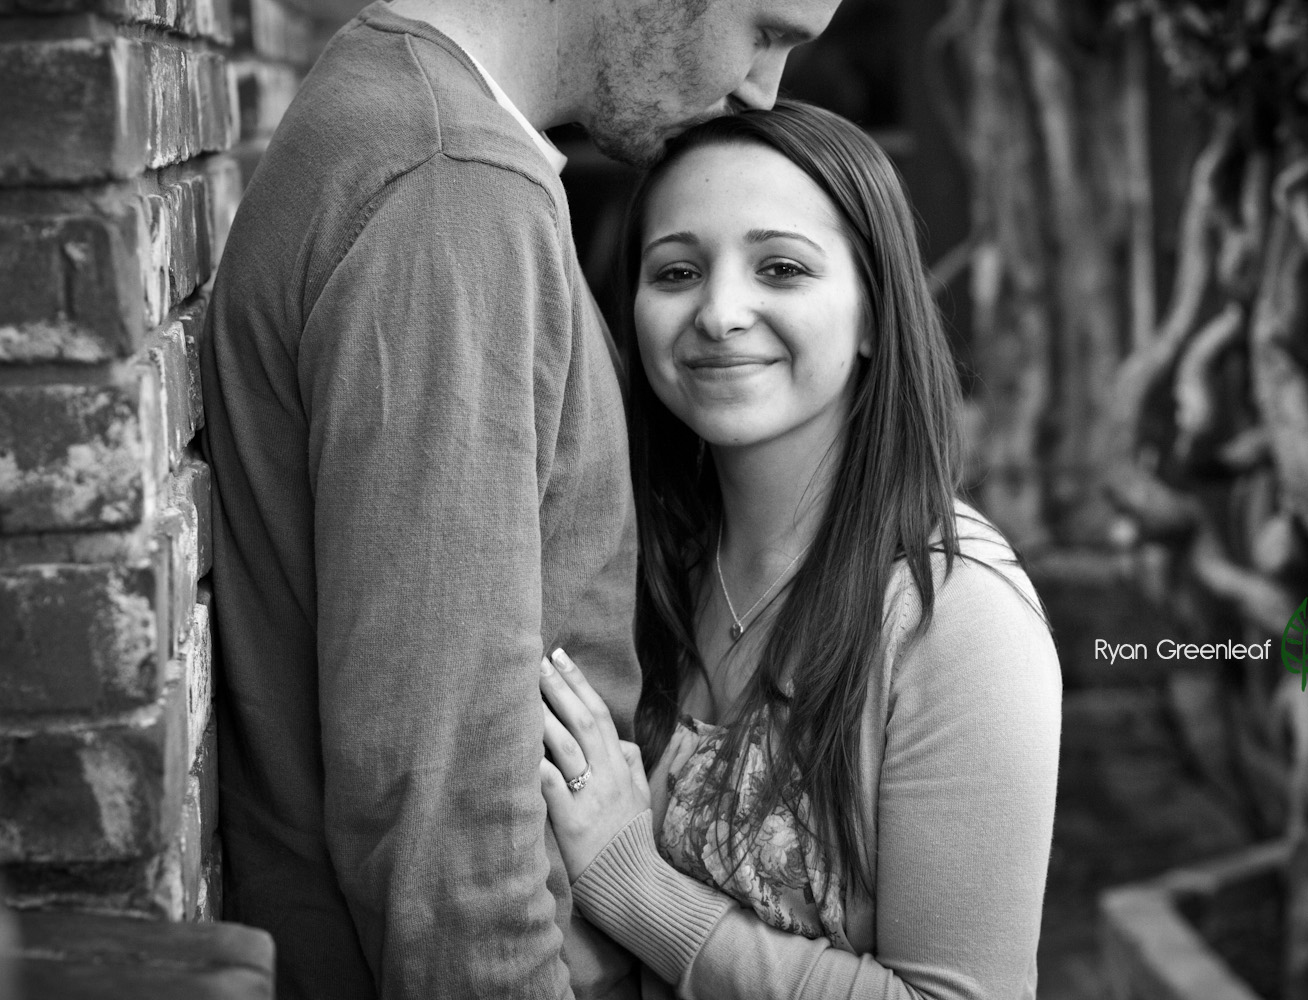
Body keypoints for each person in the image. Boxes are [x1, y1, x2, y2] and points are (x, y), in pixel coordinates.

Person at [199, 0, 841, 996]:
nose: (765, 88)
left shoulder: (419, 132)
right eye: (768, 29)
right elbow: (443, 803)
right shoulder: (453, 189)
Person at [537, 101, 1063, 1000]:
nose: (719, 312)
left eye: (780, 268)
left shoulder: (955, 616)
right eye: (676, 272)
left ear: (873, 316)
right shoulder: (639, 565)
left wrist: (636, 887)